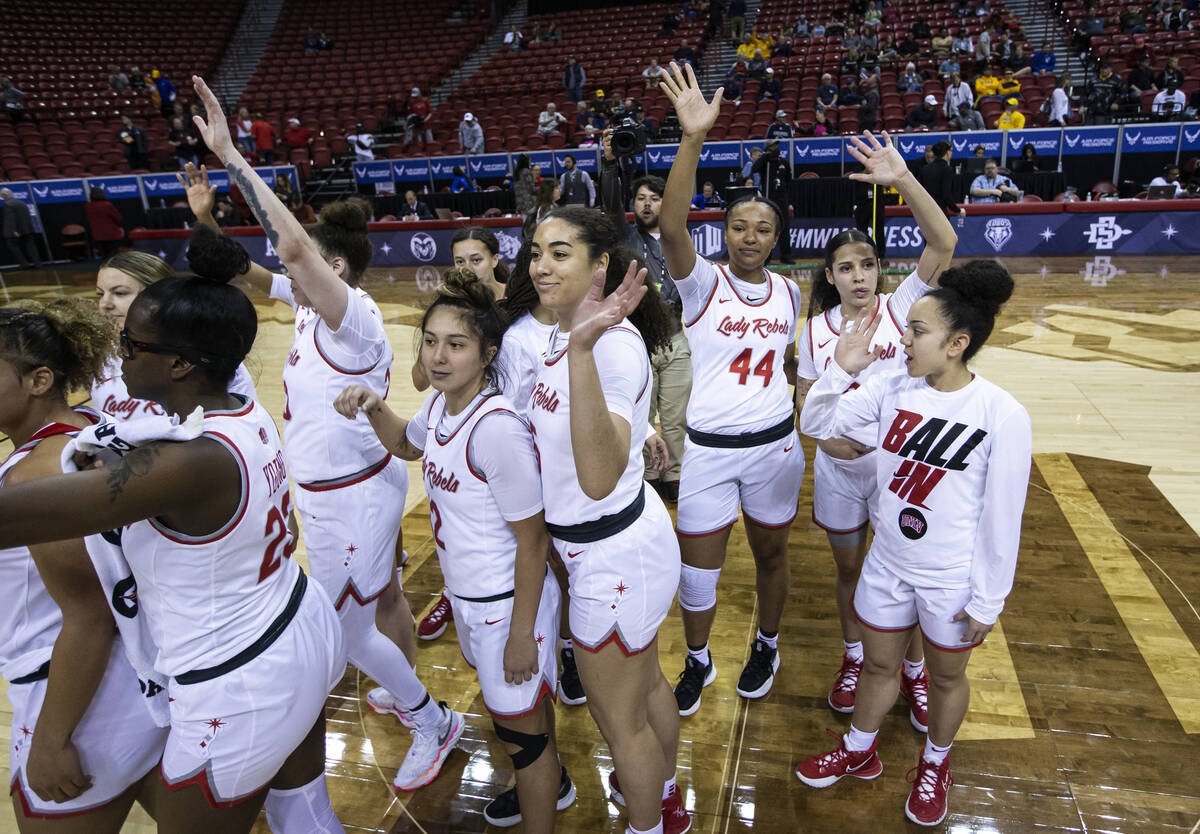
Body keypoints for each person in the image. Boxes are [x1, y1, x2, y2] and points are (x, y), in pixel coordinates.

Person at [0, 223, 351, 834]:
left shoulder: (187, 463)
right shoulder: (237, 406)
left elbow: (18, 515)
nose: (121, 353)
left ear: (183, 364)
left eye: (133, 347)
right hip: (297, 621)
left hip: (241, 675)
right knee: (304, 818)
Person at [189, 75, 466, 793]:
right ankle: (400, 684)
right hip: (332, 490)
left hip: (354, 497)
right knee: (371, 615)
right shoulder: (311, 312)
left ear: (333, 268)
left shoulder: (354, 318)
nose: (291, 264)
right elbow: (251, 271)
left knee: (347, 633)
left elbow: (288, 246)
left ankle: (433, 720)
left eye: (305, 258)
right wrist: (206, 221)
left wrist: (233, 158)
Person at [336, 268, 574, 832]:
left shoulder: (495, 429)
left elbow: (534, 540)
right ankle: (554, 783)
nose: (439, 356)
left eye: (457, 345)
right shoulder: (443, 407)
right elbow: (406, 444)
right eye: (431, 341)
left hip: (506, 604)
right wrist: (375, 405)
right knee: (526, 723)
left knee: (521, 739)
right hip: (472, 599)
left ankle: (544, 796)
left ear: (488, 353)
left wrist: (521, 633)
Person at [795, 260, 1030, 829]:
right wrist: (839, 370)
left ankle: (935, 764)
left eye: (917, 331)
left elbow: (1004, 520)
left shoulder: (1002, 414)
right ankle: (859, 750)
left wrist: (987, 599)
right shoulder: (889, 383)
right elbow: (816, 426)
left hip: (951, 575)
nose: (903, 338)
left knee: (946, 677)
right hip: (888, 562)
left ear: (957, 343)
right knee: (879, 668)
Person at [526, 203, 689, 834]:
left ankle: (650, 821)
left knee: (622, 725)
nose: (541, 265)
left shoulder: (604, 347)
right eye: (537, 251)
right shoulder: (564, 331)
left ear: (601, 264)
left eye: (560, 253)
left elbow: (596, 480)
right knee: (645, 689)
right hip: (619, 542)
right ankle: (666, 796)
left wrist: (584, 350)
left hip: (612, 553)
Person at [659, 61, 805, 716]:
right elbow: (668, 228)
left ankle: (767, 644)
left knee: (773, 555)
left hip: (775, 447)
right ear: (726, 232)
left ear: (778, 239)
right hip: (710, 452)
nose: (750, 236)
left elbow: (792, 364)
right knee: (697, 576)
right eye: (740, 225)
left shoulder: (791, 292)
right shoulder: (702, 283)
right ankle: (698, 659)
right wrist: (693, 139)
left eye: (763, 228)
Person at [0, 299, 170, 833]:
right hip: (134, 677)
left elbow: (91, 615)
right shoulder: (93, 423)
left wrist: (51, 739)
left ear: (38, 380)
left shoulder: (39, 473)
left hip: (77, 695)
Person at [600, 137, 692, 505]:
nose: (648, 203)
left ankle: (675, 474)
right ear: (633, 205)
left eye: (655, 197)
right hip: (637, 342)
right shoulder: (624, 238)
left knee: (675, 416)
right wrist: (609, 165)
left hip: (677, 340)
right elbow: (609, 204)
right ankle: (649, 475)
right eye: (640, 198)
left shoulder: (679, 239)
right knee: (642, 415)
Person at [1, 188, 42, 270]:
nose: (2, 197)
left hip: (17, 231)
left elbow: (10, 219)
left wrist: (13, 230)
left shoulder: (7, 204)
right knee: (31, 246)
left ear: (5, 195)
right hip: (27, 229)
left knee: (12, 245)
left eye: (2, 195)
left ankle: (24, 263)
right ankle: (37, 263)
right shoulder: (21, 202)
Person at [917, 141, 961, 216]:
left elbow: (918, 190)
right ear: (947, 152)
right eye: (951, 151)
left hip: (925, 211)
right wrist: (957, 210)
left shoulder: (925, 169)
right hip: (940, 212)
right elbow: (946, 195)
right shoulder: (947, 170)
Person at [85, 187, 127, 259]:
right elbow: (118, 218)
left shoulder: (88, 206)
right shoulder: (107, 205)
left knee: (104, 256)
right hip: (111, 234)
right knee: (114, 255)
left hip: (98, 234)